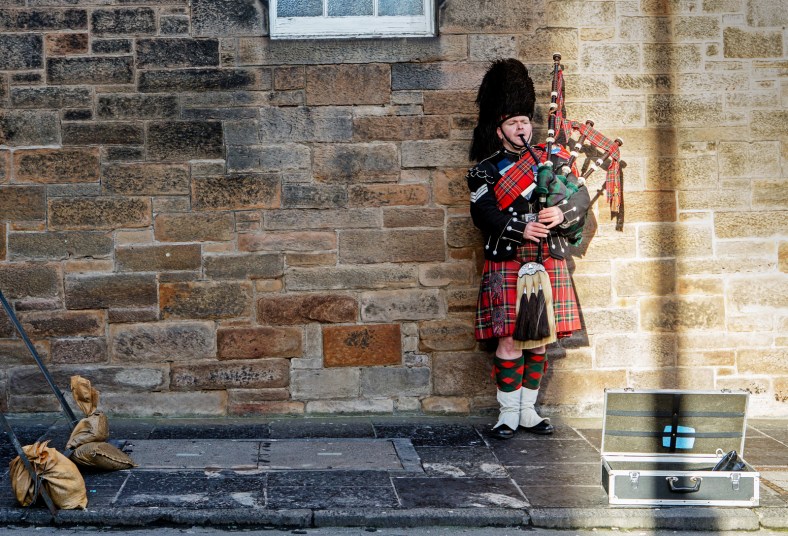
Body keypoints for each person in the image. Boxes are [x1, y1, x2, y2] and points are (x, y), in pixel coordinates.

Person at [466, 58, 591, 440]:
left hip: (546, 258)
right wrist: (522, 226)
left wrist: (559, 212)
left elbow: (581, 196)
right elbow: (482, 212)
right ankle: (508, 413)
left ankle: (529, 412)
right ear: (499, 130)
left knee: (540, 336)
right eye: (512, 123)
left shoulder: (552, 160)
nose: (521, 127)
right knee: (508, 337)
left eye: (525, 121)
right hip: (508, 258)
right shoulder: (483, 170)